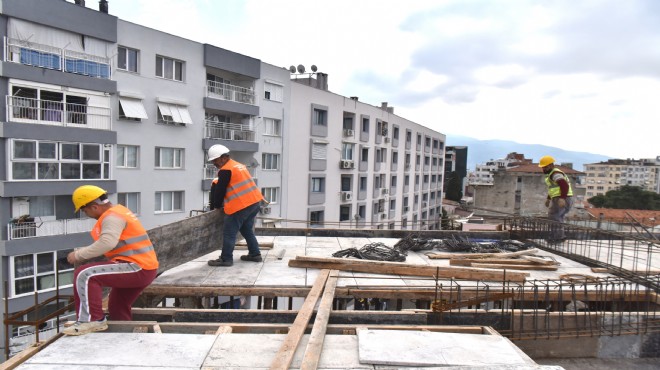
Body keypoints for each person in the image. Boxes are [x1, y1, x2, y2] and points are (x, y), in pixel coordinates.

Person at [64, 185, 159, 335]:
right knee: (117, 305)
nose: (86, 214)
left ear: (94, 207)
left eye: (85, 210)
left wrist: (78, 255)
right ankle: (123, 334)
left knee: (85, 274)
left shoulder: (111, 217)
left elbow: (107, 242)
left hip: (136, 267)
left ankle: (91, 320)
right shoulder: (118, 212)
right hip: (145, 268)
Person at [207, 144, 265, 266]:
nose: (214, 163)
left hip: (241, 205)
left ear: (223, 157)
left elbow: (220, 191)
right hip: (255, 202)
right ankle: (255, 254)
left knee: (229, 232)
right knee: (246, 229)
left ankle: (226, 258)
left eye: (215, 160)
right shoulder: (238, 166)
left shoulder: (225, 170)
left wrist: (216, 207)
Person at [539, 155, 573, 243]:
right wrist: (548, 199)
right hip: (560, 197)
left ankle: (556, 238)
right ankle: (559, 237)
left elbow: (564, 185)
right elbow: (553, 188)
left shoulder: (555, 174)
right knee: (557, 217)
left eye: (545, 167)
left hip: (562, 198)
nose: (544, 169)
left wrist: (562, 198)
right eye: (543, 167)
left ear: (551, 165)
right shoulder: (551, 174)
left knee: (554, 217)